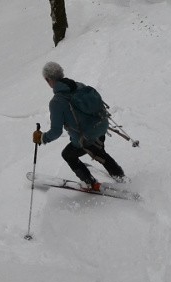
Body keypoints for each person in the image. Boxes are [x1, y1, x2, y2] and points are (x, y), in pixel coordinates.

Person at [32, 61, 125, 191]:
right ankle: (121, 177)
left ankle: (90, 183)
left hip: (86, 137)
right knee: (99, 151)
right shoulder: (79, 85)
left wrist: (42, 138)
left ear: (49, 80)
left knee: (68, 154)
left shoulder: (57, 102)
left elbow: (56, 131)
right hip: (102, 126)